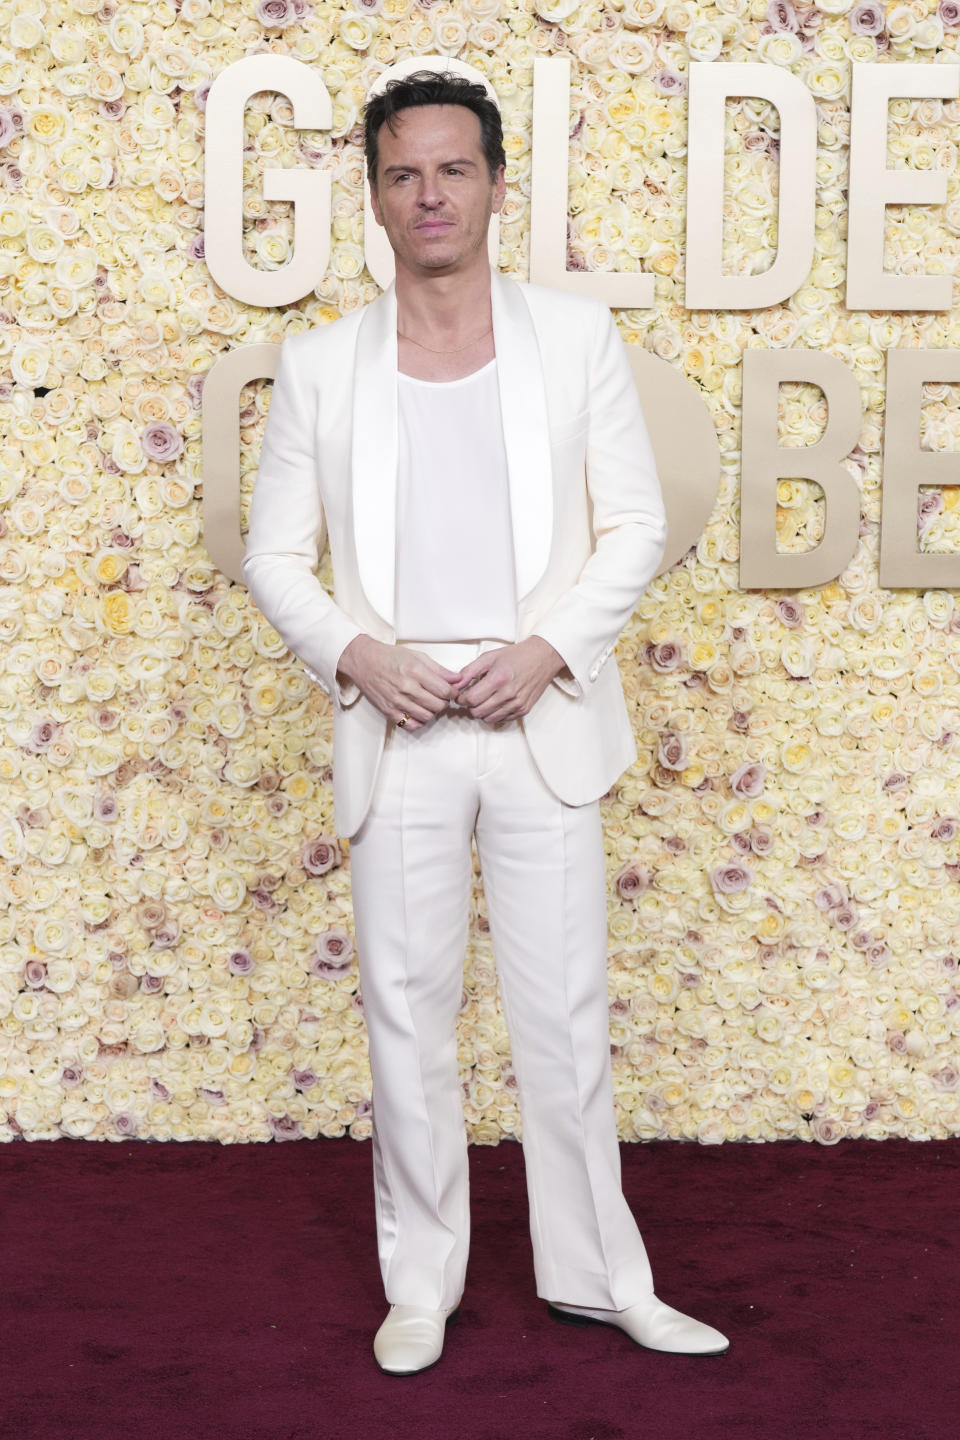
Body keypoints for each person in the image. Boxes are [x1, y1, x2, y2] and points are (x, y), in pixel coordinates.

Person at [242, 69, 729, 1376]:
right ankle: (424, 1284)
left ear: (497, 185)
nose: (431, 194)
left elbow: (632, 523)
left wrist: (549, 652)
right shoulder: (320, 364)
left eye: (455, 170)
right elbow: (276, 557)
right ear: (377, 197)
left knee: (563, 1011)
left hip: (538, 713)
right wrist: (356, 653)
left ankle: (597, 1275)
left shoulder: (572, 344)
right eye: (404, 174)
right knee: (406, 1011)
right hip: (396, 721)